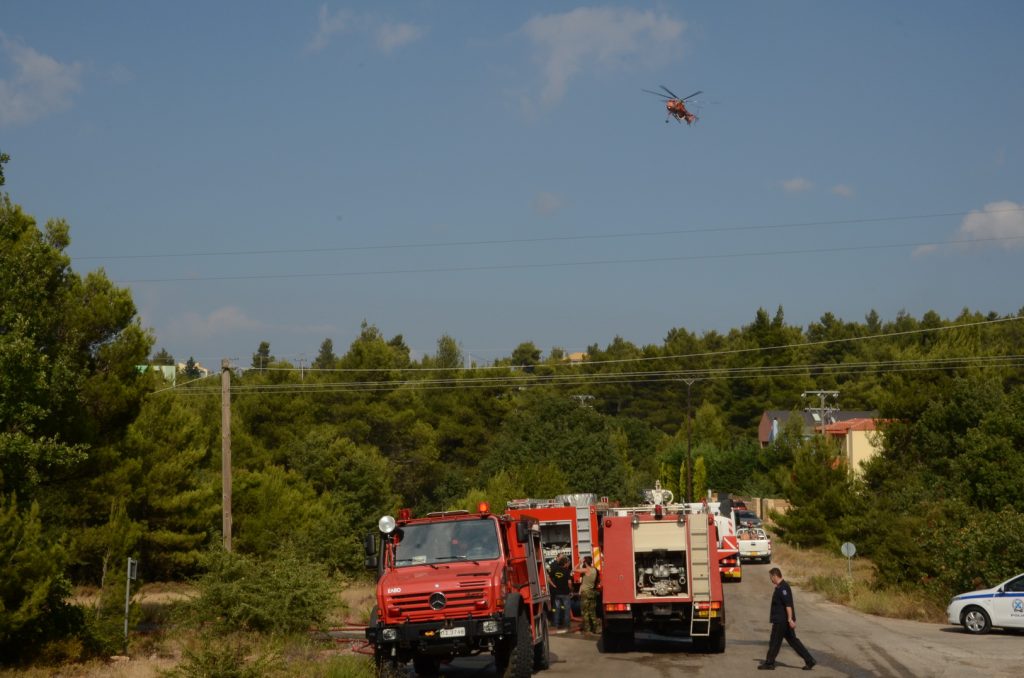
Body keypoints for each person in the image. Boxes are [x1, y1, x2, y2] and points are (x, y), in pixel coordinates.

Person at [759, 567, 816, 671]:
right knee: (793, 641)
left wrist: (790, 620)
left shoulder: (783, 588)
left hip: (781, 621)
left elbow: (788, 605)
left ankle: (769, 663)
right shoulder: (781, 587)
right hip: (783, 621)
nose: (770, 579)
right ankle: (810, 660)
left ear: (775, 576)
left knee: (774, 642)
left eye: (771, 577)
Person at [575, 555, 599, 635]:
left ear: (585, 562)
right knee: (592, 611)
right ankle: (596, 629)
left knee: (585, 612)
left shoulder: (586, 570)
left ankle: (587, 630)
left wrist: (579, 563)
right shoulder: (595, 570)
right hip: (592, 592)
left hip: (585, 593)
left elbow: (574, 570)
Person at [548, 555, 572, 633]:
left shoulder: (555, 569)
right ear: (565, 563)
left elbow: (548, 577)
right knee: (566, 610)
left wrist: (553, 585)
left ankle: (555, 624)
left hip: (557, 593)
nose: (568, 564)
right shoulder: (567, 571)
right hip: (565, 593)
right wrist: (570, 589)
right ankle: (567, 625)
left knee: (557, 609)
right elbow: (569, 582)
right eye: (567, 563)